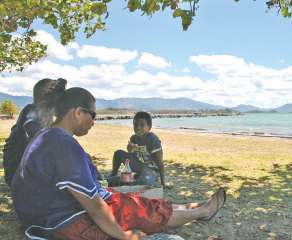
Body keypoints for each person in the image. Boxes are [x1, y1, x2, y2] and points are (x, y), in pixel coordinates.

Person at [11, 87, 226, 240]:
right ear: (78, 112)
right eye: (92, 115)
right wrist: (124, 236)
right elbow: (96, 208)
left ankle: (196, 208)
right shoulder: (63, 144)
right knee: (141, 211)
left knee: (138, 203)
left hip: (43, 216)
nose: (94, 121)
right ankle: (203, 212)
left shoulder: (45, 136)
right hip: (64, 222)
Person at [2, 78, 67, 186]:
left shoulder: (40, 114)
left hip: (26, 173)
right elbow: (44, 142)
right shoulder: (31, 113)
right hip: (18, 174)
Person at [110, 112, 165, 187]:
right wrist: (129, 149)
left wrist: (163, 183)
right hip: (138, 166)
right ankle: (113, 174)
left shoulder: (153, 139)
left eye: (142, 125)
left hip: (150, 169)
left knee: (145, 182)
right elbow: (130, 155)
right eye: (135, 125)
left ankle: (134, 182)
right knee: (118, 153)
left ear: (149, 127)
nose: (138, 127)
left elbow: (160, 163)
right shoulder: (134, 138)